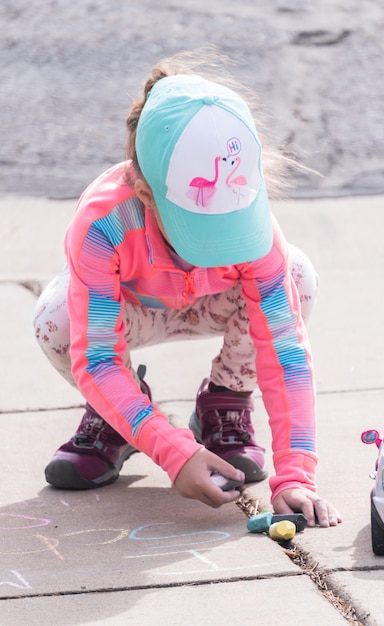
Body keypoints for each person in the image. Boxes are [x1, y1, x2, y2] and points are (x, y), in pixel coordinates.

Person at [33, 50, 341, 528]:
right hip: (133, 308)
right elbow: (96, 356)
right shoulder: (103, 224)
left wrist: (296, 476)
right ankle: (117, 415)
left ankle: (225, 401)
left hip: (217, 304)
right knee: (56, 319)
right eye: (197, 228)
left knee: (295, 276)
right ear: (142, 190)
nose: (214, 245)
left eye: (228, 228)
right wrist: (171, 449)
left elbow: (286, 352)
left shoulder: (255, 224)